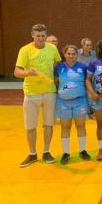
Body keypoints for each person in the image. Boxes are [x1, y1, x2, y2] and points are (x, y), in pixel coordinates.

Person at [14, 24, 62, 167]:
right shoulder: (25, 50)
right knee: (30, 127)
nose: (40, 38)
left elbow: (57, 65)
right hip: (31, 93)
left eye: (43, 36)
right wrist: (26, 73)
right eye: (38, 36)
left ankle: (46, 152)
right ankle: (32, 154)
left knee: (48, 124)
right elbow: (16, 72)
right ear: (32, 35)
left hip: (49, 92)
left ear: (46, 36)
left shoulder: (52, 49)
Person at [54, 45, 91, 164]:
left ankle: (82, 150)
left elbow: (87, 83)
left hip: (80, 101)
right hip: (63, 102)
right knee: (65, 127)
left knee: (81, 126)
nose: (71, 56)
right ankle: (65, 153)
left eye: (73, 54)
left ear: (77, 55)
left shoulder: (83, 67)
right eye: (68, 54)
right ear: (64, 55)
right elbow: (56, 82)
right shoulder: (59, 67)